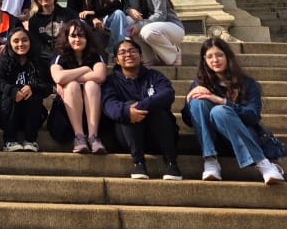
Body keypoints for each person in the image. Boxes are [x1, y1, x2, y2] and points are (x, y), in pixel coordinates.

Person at [184, 36, 284, 184]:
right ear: (204, 60)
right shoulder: (200, 84)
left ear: (228, 56)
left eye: (219, 55)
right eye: (209, 56)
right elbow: (189, 121)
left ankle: (263, 164)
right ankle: (210, 160)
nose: (215, 60)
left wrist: (222, 101)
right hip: (215, 143)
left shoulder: (247, 84)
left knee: (220, 111)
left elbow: (253, 117)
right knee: (199, 102)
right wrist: (189, 100)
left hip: (246, 136)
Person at [102, 38, 182, 180]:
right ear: (116, 60)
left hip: (157, 135)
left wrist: (140, 106)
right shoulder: (111, 81)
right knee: (127, 111)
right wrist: (127, 111)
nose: (128, 55)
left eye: (133, 51)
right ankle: (138, 163)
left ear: (141, 56)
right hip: (128, 138)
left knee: (158, 110)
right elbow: (109, 105)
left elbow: (167, 94)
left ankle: (171, 163)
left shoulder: (155, 76)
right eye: (123, 52)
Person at [113, 0, 185, 67]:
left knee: (147, 31)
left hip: (171, 27)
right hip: (149, 27)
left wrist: (139, 25)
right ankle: (148, 58)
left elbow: (161, 14)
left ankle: (174, 53)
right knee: (127, 20)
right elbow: (124, 8)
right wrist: (129, 10)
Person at [50, 20, 108, 154]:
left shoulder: (96, 55)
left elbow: (100, 76)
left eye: (81, 36)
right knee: (71, 86)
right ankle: (79, 137)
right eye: (73, 36)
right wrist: (85, 69)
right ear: (67, 38)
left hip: (93, 110)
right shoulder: (60, 56)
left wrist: (67, 77)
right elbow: (58, 77)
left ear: (87, 38)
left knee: (92, 85)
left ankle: (93, 137)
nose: (77, 39)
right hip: (67, 112)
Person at [0, 27, 50, 152]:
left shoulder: (39, 63)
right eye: (16, 41)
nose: (20, 44)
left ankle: (31, 140)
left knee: (33, 93)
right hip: (8, 113)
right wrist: (12, 91)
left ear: (30, 42)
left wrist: (32, 88)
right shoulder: (3, 63)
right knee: (10, 92)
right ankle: (9, 140)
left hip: (32, 114)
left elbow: (47, 87)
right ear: (10, 44)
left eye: (24, 40)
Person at [26, 0, 74, 67]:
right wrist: (55, 58)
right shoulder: (33, 21)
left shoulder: (68, 14)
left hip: (68, 56)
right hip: (46, 61)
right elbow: (38, 45)